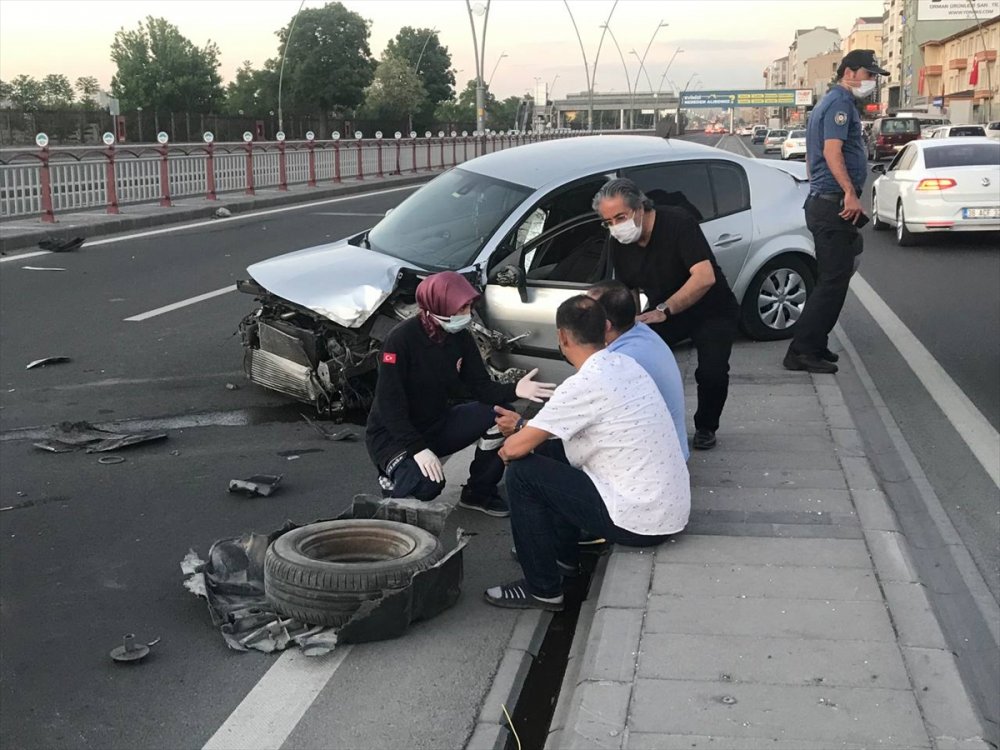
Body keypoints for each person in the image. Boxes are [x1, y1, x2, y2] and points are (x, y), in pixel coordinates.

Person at [484, 296, 689, 611]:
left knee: (523, 474)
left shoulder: (584, 383)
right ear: (606, 328)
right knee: (551, 450)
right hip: (667, 509)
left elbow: (513, 448)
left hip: (640, 521)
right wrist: (528, 432)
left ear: (562, 337)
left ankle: (542, 589)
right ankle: (561, 557)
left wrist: (515, 441)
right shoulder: (624, 363)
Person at [365, 271, 555, 516]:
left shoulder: (459, 337)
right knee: (428, 486)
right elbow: (390, 405)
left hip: (436, 424)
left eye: (468, 307)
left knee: (500, 415)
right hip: (393, 436)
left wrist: (514, 390)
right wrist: (417, 449)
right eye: (461, 308)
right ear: (438, 306)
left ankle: (479, 492)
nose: (467, 314)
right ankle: (392, 481)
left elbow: (480, 387)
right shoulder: (400, 340)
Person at [593, 177, 738, 451]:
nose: (615, 227)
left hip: (710, 307)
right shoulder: (620, 242)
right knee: (633, 358)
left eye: (620, 218)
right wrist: (629, 325)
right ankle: (642, 421)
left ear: (640, 208)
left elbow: (704, 277)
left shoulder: (678, 223)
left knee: (712, 372)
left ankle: (706, 427)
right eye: (608, 222)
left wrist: (664, 309)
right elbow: (629, 289)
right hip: (663, 310)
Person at [784, 49, 888, 374]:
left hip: (826, 202)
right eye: (869, 74)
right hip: (833, 205)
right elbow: (832, 152)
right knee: (832, 280)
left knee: (837, 273)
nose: (872, 81)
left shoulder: (827, 104)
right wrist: (847, 193)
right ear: (850, 72)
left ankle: (815, 344)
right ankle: (801, 351)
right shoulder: (840, 104)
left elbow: (811, 159)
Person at [587, 280, 689, 459]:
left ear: (606, 325)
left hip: (651, 465)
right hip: (672, 453)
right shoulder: (642, 332)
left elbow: (582, 418)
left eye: (586, 314)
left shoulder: (619, 361)